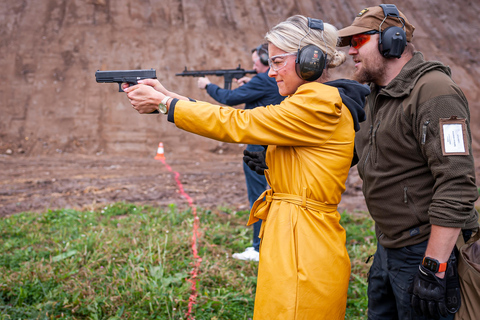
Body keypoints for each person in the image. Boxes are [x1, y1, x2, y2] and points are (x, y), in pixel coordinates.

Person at [123, 15, 369, 319]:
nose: (271, 72)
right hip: (294, 234)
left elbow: (239, 122)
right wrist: (168, 96)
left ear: (310, 59)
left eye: (278, 61)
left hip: (302, 241)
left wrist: (164, 105)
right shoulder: (311, 100)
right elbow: (236, 119)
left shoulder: (318, 103)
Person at [335, 4, 479, 320]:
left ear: (392, 41)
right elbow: (356, 150)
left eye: (358, 42)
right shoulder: (378, 95)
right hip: (390, 246)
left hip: (428, 250)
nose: (351, 53)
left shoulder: (434, 92)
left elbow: (457, 184)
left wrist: (434, 267)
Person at [197, 43, 285, 262]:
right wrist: (251, 84)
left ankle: (257, 248)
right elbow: (263, 95)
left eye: (256, 61)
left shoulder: (263, 80)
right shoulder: (277, 81)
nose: (253, 66)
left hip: (257, 147)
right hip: (276, 145)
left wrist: (207, 86)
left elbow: (228, 99)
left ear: (266, 61)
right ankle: (273, 243)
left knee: (257, 197)